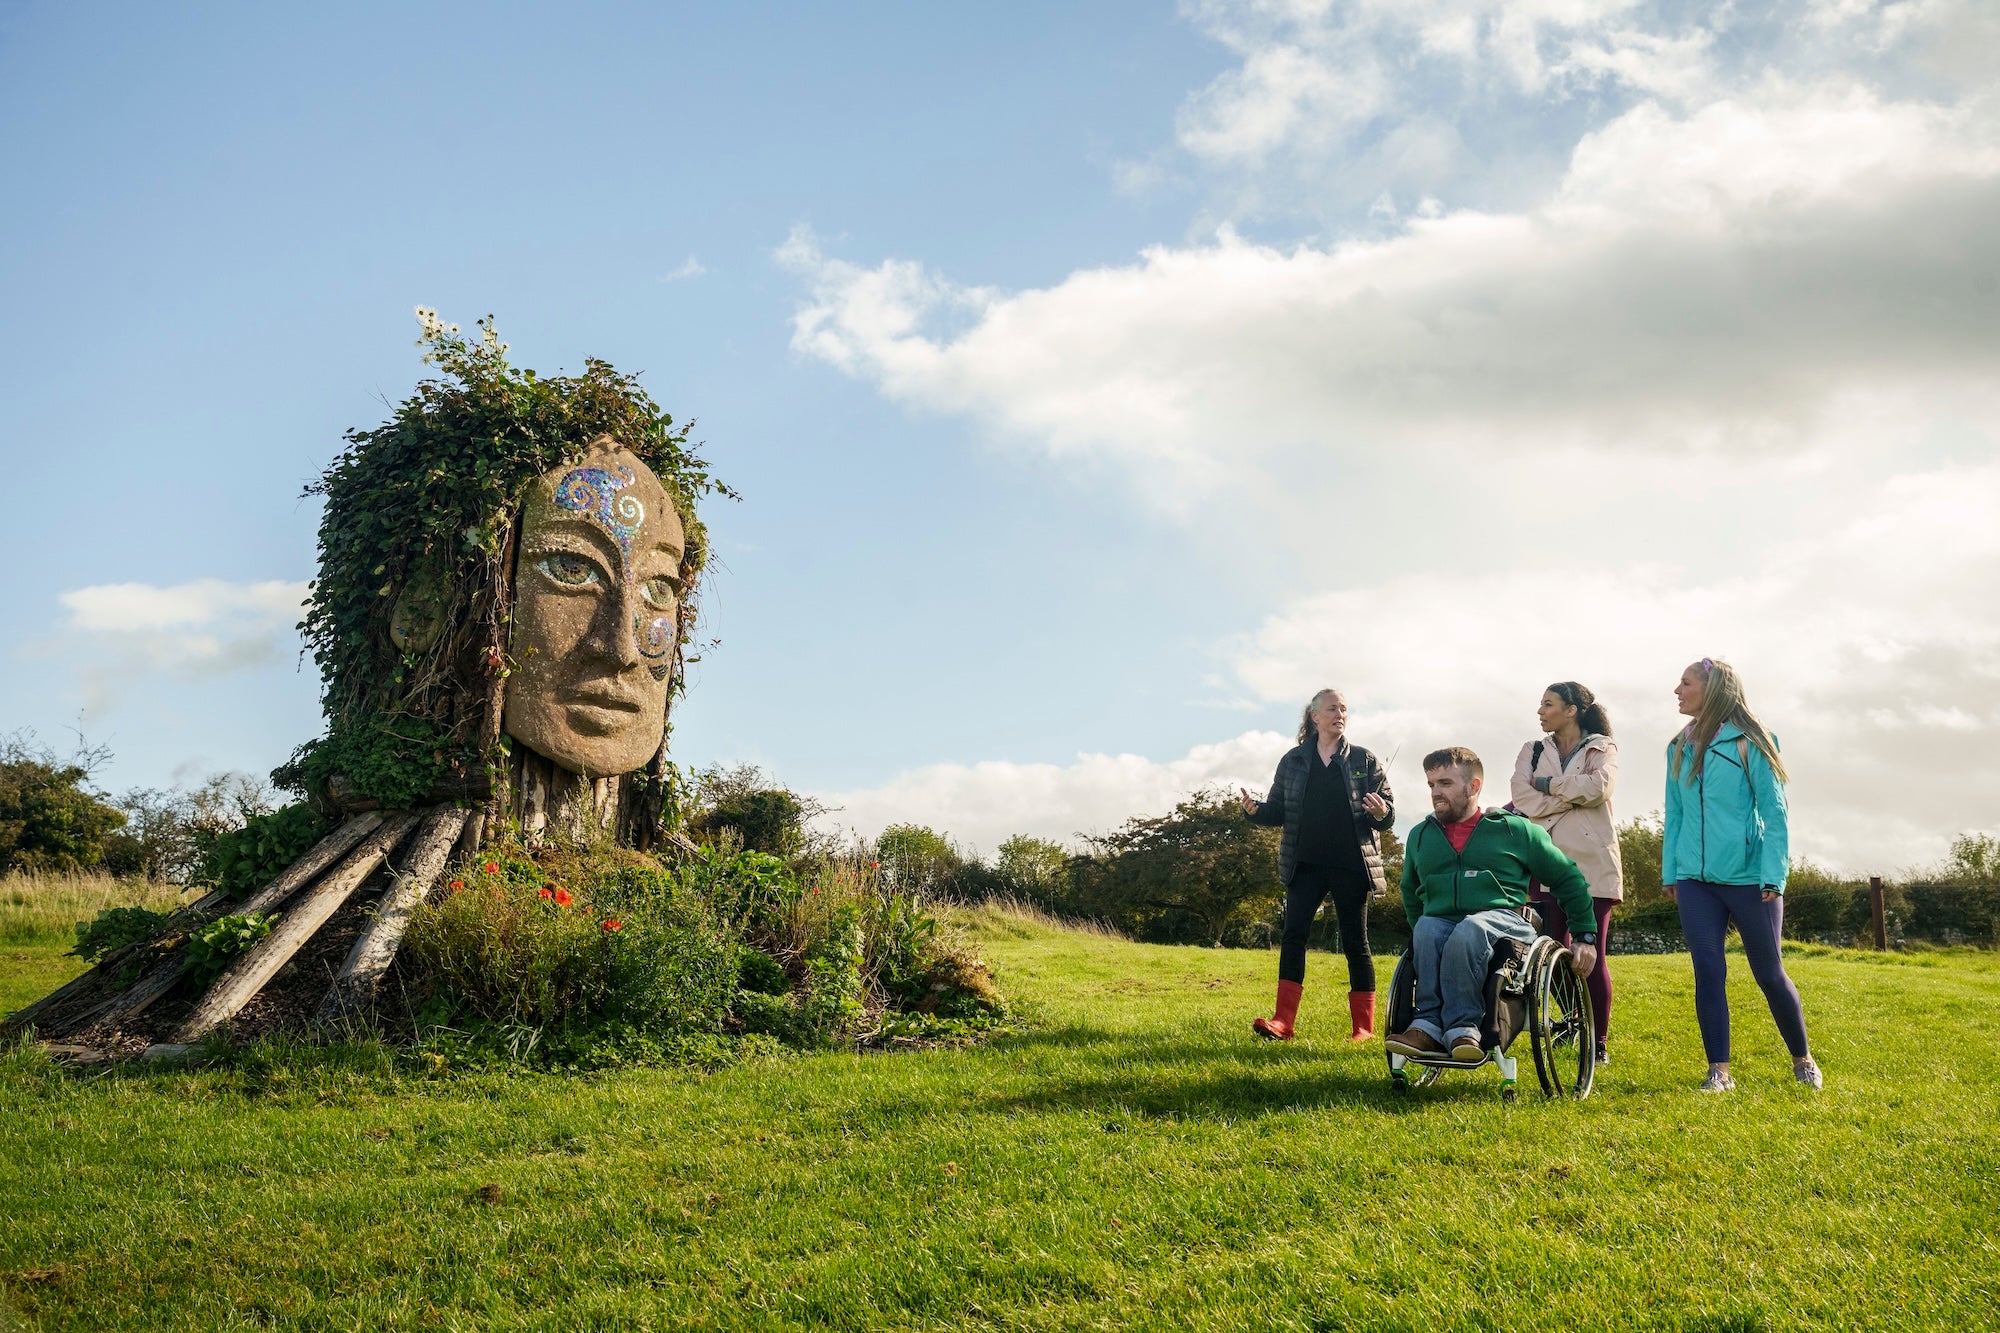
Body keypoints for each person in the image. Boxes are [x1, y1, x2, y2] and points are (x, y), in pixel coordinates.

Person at [1665, 658, 1822, 1092]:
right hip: (1695, 880)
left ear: (1712, 690)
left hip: (1751, 880)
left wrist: (1774, 874)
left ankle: (1802, 1058)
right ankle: (1719, 1071)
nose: (1677, 690)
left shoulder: (1751, 742)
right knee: (1708, 971)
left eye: (1686, 682)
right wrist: (1672, 872)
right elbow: (1675, 814)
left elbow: (1775, 813)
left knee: (1769, 973)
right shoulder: (1677, 747)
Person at [1386, 747, 1598, 1062]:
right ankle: (1427, 1026)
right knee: (1428, 928)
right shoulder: (1420, 836)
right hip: (1444, 924)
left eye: (1444, 783)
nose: (1435, 793)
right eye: (1431, 784)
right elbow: (1410, 891)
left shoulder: (1515, 830)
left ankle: (1463, 1028)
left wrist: (1585, 936)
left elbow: (1568, 878)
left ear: (1474, 787)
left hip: (1506, 921)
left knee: (1471, 928)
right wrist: (1423, 934)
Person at [1238, 688, 1395, 1041]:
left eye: (1344, 709)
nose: (1340, 714)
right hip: (1305, 864)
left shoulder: (1364, 760)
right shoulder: (1293, 760)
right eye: (1332, 709)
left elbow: (1387, 812)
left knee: (1356, 942)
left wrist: (1381, 812)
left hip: (1351, 865)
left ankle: (1363, 1028)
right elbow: (1277, 810)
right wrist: (1254, 812)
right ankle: (1283, 1021)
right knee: (1293, 936)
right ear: (1314, 716)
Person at [1509, 682, 1621, 1065]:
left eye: (1548, 704)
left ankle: (1599, 1042)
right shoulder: (1533, 749)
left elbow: (1599, 787)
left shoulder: (1601, 748)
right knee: (1549, 952)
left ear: (1571, 710)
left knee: (1591, 954)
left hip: (1593, 864)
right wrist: (1566, 800)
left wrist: (1548, 789)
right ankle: (1576, 1022)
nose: (1540, 711)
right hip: (1543, 863)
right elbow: (1521, 795)